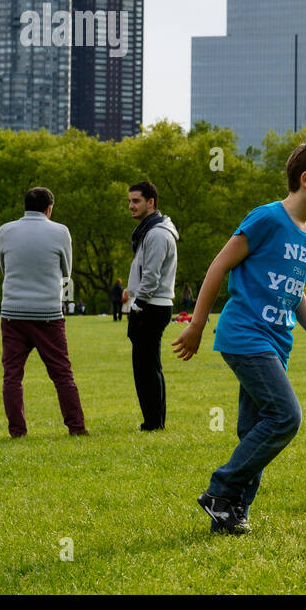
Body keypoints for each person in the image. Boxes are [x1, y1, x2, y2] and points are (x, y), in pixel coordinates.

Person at [172, 136, 306, 535]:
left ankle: (232, 512)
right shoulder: (267, 219)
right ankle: (221, 489)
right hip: (245, 335)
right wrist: (197, 324)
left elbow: (295, 287)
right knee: (286, 417)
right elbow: (218, 266)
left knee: (253, 430)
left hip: (277, 340)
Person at [0, 187, 88, 438]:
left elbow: (4, 266)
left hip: (12, 312)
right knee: (62, 374)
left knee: (12, 375)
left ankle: (17, 431)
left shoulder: (5, 230)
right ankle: (76, 427)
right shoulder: (60, 232)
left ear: (24, 207)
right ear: (49, 209)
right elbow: (66, 271)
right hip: (48, 313)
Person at [126, 181, 180, 431]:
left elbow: (151, 276)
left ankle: (154, 422)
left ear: (151, 202)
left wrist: (137, 304)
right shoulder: (150, 230)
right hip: (150, 305)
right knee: (147, 366)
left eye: (136, 201)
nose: (131, 206)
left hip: (151, 306)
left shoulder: (157, 233)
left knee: (147, 368)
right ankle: (153, 420)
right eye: (129, 201)